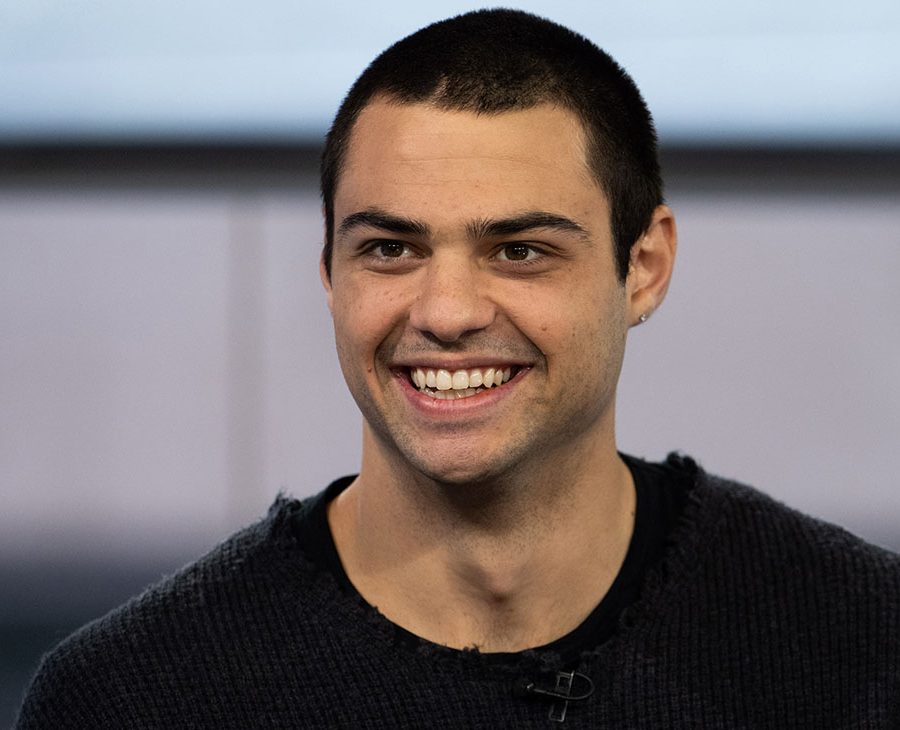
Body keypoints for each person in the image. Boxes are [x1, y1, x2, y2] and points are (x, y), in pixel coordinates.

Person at [16, 9, 900, 728]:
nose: (445, 313)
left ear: (644, 267)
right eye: (390, 248)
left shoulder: (866, 644)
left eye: (520, 250)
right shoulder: (130, 698)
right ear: (328, 272)